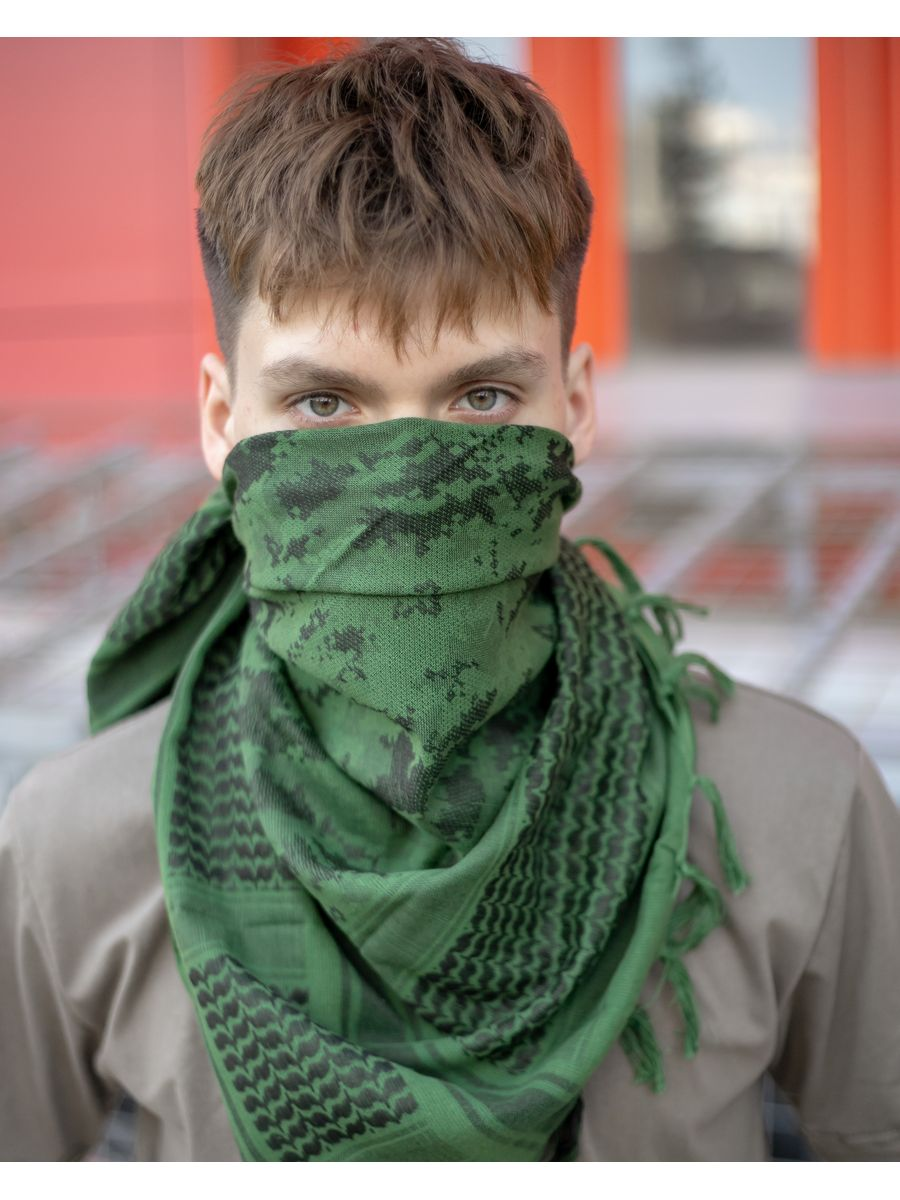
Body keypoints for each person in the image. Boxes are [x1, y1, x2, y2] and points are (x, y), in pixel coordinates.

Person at [1, 37, 899, 1163]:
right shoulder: (77, 845)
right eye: (324, 405)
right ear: (223, 422)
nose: (409, 482)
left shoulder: (797, 807)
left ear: (574, 405)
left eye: (481, 397)